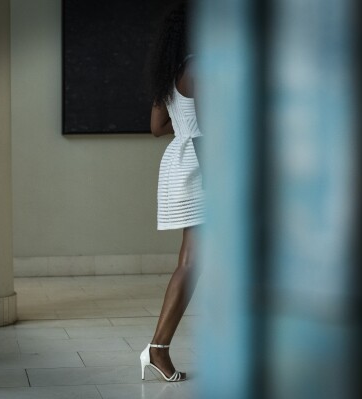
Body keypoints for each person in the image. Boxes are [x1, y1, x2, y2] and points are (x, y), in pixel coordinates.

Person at [140, 2, 203, 383]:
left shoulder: (173, 71)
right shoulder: (202, 69)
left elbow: (157, 126)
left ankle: (158, 349)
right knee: (194, 263)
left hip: (182, 161)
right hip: (203, 168)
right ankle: (158, 347)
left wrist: (185, 123)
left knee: (193, 262)